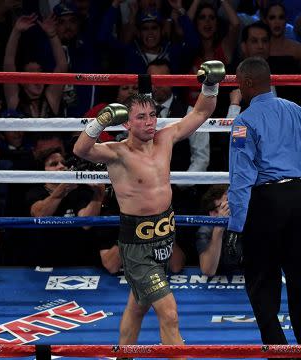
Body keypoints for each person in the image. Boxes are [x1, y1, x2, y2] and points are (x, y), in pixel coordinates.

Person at [73, 60, 225, 350]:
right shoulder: (117, 153)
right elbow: (81, 149)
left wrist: (210, 84)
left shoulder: (166, 138)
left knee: (137, 306)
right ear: (127, 123)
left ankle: (124, 356)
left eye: (153, 115)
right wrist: (100, 122)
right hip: (137, 246)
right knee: (169, 313)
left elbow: (203, 111)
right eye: (141, 117)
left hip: (164, 236)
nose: (149, 122)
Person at [225, 57, 301, 349]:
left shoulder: (244, 121)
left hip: (265, 203)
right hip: (297, 197)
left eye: (237, 82)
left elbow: (241, 179)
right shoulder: (296, 111)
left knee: (262, 283)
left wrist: (236, 226)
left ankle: (279, 353)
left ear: (246, 83)